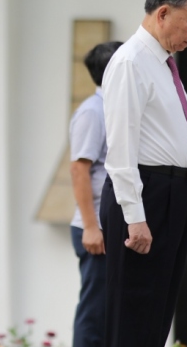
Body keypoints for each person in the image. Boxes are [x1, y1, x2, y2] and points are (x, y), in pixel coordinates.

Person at [100, 0, 187, 347]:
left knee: (157, 311)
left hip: (172, 192)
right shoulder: (131, 61)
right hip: (146, 195)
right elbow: (120, 148)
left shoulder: (161, 63)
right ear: (163, 13)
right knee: (135, 310)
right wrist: (135, 217)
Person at [69, 40, 122, 347]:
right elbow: (79, 169)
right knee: (96, 310)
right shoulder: (93, 112)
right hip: (96, 229)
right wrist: (91, 226)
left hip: (111, 225)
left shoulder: (115, 109)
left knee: (112, 310)